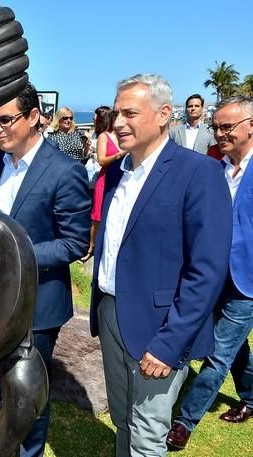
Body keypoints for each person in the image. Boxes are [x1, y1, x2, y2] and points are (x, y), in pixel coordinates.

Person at [90, 74, 231, 457]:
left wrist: (171, 343)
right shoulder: (117, 170)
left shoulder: (198, 173)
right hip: (110, 312)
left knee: (147, 435)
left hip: (159, 328)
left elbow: (207, 269)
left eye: (130, 113)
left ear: (165, 113)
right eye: (117, 112)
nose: (118, 122)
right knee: (123, 421)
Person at [0, 83, 91, 457]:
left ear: (33, 117)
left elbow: (75, 243)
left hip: (37, 307)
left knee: (28, 396)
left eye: (5, 120)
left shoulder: (65, 172)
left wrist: (14, 255)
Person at [167, 97, 253, 450]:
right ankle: (250, 396)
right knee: (235, 348)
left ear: (251, 125)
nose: (218, 134)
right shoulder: (217, 170)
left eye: (226, 127)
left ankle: (183, 422)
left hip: (247, 281)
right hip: (213, 275)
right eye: (215, 127)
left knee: (218, 353)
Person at [81, 106, 126, 262]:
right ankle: (91, 247)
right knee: (97, 215)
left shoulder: (123, 136)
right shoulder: (104, 137)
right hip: (106, 177)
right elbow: (101, 160)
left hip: (121, 178)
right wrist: (120, 154)